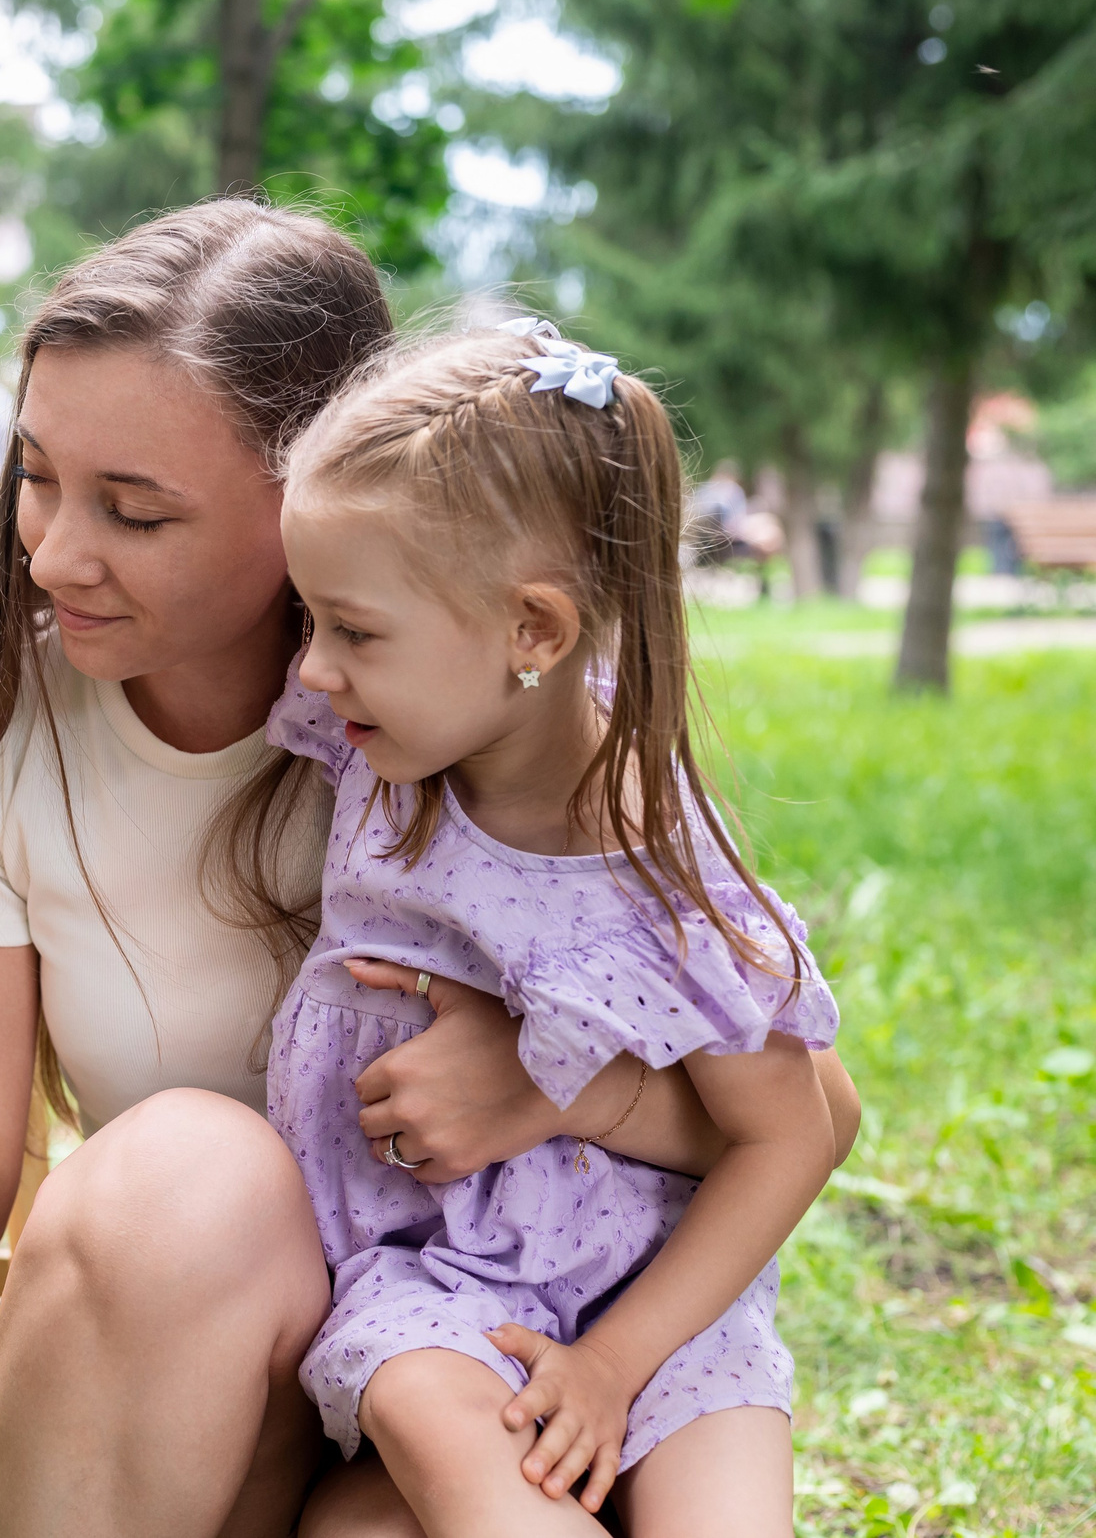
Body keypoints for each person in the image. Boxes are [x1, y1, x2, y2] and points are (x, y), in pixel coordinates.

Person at [0, 200, 864, 1537]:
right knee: (183, 1165)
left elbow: (801, 1105)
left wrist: (551, 1084)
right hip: (244, 1391)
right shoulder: (8, 728)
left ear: (316, 491)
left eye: (136, 510)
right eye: (37, 475)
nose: (54, 552)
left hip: (513, 1361)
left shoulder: (477, 721)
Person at [268, 322, 842, 1535]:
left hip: (664, 1309)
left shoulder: (654, 859)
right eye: (308, 620)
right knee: (430, 1452)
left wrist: (614, 1363)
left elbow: (792, 1130)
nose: (311, 669)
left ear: (534, 630)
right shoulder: (379, 750)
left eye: (352, 630)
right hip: (432, 1288)